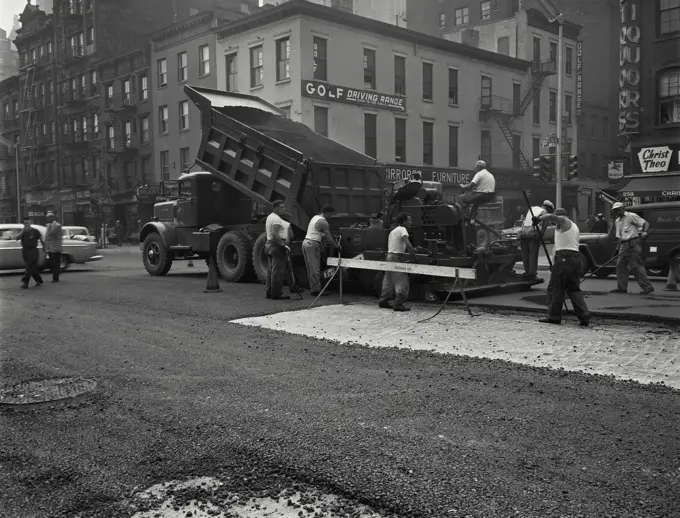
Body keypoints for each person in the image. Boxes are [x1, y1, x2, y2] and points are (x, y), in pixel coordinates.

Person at [534, 208, 590, 326]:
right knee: (574, 289)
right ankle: (584, 316)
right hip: (573, 258)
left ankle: (553, 316)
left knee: (555, 288)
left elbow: (552, 217)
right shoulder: (573, 226)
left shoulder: (563, 221)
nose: (554, 223)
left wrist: (539, 219)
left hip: (564, 258)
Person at [610, 202, 654, 295]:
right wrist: (617, 249)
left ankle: (647, 287)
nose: (617, 212)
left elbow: (646, 223)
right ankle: (622, 287)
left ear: (623, 208)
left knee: (636, 265)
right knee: (620, 266)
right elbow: (620, 237)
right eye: (615, 210)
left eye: (618, 210)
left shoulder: (631, 216)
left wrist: (645, 232)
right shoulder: (617, 221)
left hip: (633, 242)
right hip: (623, 244)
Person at [378, 212, 417, 312]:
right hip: (396, 258)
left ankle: (383, 300)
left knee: (388, 280)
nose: (411, 222)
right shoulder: (403, 229)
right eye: (409, 220)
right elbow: (407, 243)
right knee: (402, 281)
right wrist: (413, 255)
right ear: (404, 221)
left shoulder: (394, 231)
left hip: (389, 256)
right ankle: (399, 304)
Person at [303, 204, 338, 296]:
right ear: (327, 213)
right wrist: (337, 246)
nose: (331, 216)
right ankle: (316, 291)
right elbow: (328, 238)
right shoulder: (323, 222)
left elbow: (317, 232)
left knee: (311, 268)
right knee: (315, 268)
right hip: (312, 244)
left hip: (306, 242)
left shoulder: (315, 217)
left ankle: (313, 288)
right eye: (331, 214)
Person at [519, 200, 554, 279]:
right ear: (549, 209)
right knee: (533, 254)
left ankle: (527, 271)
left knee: (525, 254)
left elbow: (524, 222)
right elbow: (544, 228)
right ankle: (532, 274)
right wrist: (539, 238)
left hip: (524, 233)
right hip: (532, 234)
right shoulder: (545, 213)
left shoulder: (532, 208)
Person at [265, 200, 291, 300]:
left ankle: (269, 292)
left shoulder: (270, 217)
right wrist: (283, 245)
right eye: (281, 207)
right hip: (276, 246)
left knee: (270, 270)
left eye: (284, 207)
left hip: (269, 244)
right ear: (275, 208)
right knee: (277, 271)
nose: (284, 209)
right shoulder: (276, 219)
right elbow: (275, 234)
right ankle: (276, 294)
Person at [15, 216, 45, 290]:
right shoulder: (23, 231)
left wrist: (45, 247)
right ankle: (39, 280)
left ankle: (25, 283)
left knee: (28, 267)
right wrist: (23, 231)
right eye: (25, 223)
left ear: (30, 222)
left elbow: (41, 239)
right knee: (32, 267)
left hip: (33, 251)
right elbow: (16, 238)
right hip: (25, 251)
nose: (27, 224)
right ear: (23, 224)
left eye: (28, 223)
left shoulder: (35, 231)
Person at [45, 212, 63, 283]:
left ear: (52, 218)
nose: (46, 219)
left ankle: (56, 278)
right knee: (52, 263)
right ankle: (55, 276)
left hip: (55, 248)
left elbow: (51, 234)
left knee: (56, 263)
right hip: (50, 247)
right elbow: (47, 237)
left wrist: (49, 227)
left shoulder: (57, 225)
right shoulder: (49, 225)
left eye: (48, 218)